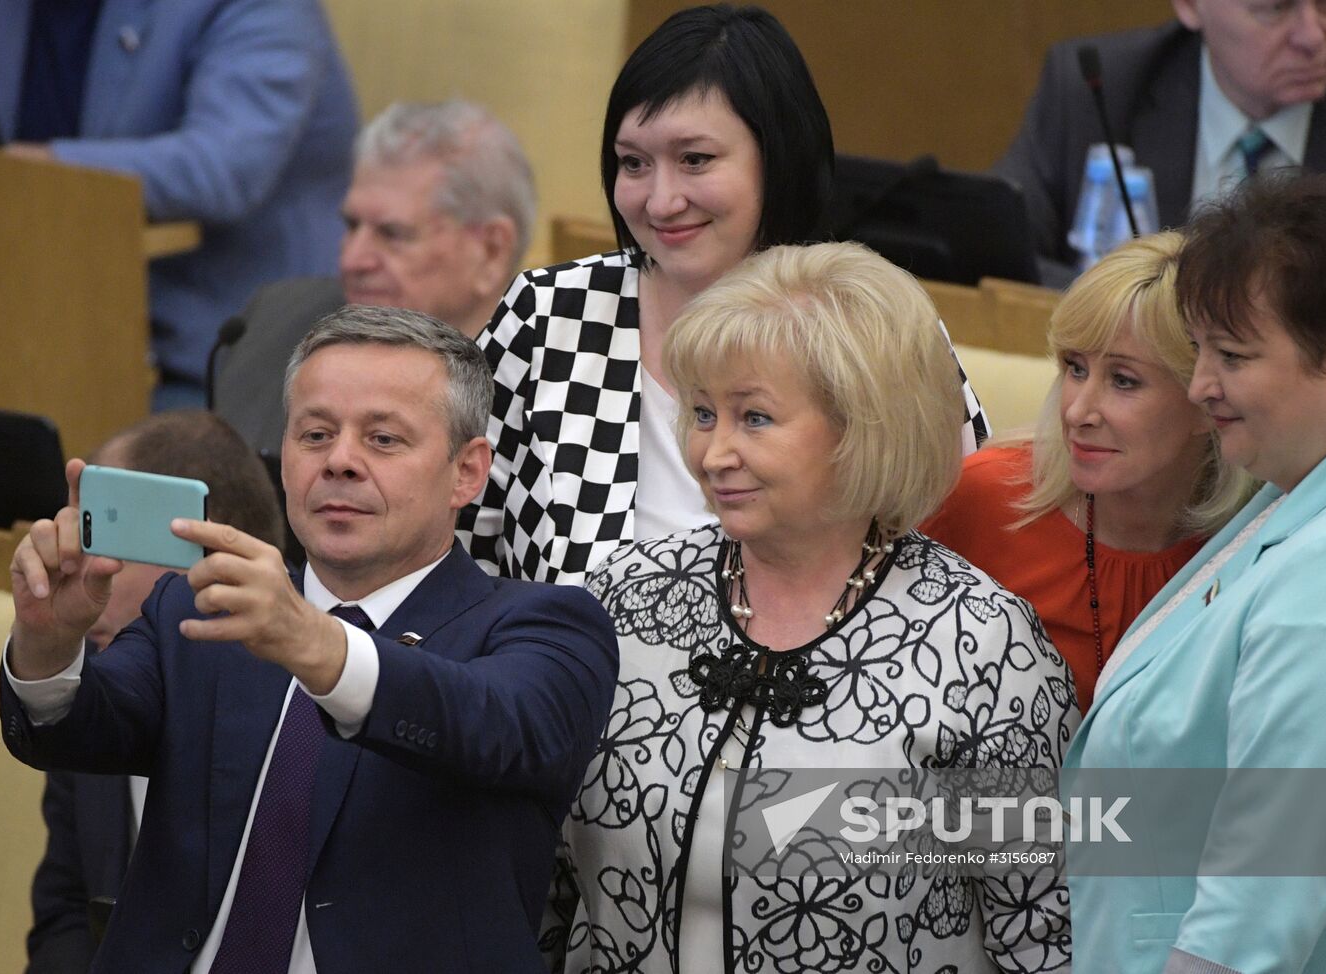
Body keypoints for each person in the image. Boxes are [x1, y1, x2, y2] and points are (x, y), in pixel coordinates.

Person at [0, 306, 618, 971]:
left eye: (383, 439)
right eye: (316, 434)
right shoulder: (200, 606)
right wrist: (49, 640)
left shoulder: (544, 625)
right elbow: (74, 732)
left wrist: (317, 645)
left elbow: (494, 724)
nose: (341, 462)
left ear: (467, 472)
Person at [548, 242, 1078, 973]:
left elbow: (1042, 935)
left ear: (865, 425)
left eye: (754, 418)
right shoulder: (623, 597)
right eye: (702, 412)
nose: (713, 452)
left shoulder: (982, 648)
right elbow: (542, 889)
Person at [459, 3, 989, 584]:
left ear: (778, 156)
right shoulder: (549, 315)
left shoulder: (870, 322)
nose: (660, 201)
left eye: (695, 160)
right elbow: (454, 546)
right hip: (562, 673)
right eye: (633, 163)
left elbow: (960, 551)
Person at [1065, 172, 1326, 972]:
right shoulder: (1298, 488)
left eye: (1232, 356)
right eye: (1199, 347)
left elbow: (1253, 919)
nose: (1201, 386)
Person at [922, 233, 1253, 711]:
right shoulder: (981, 498)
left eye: (1123, 380)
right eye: (1075, 368)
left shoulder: (1253, 541)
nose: (1078, 411)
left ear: (1207, 400)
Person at [0, 0, 358, 409]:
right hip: (28, 318)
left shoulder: (259, 8)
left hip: (207, 347)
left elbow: (223, 168)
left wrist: (28, 165)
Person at [26, 410, 286, 974]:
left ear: (207, 542)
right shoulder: (87, 680)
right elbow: (66, 915)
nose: (82, 564)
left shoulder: (303, 709)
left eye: (110, 533)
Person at [214, 99, 537, 457]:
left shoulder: (548, 397)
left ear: (491, 251)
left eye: (392, 234)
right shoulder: (271, 325)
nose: (353, 260)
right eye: (352, 226)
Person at [997, 0, 1326, 278]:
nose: (1311, 36)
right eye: (1275, 9)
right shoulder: (1098, 90)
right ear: (1191, 6)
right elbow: (1000, 256)